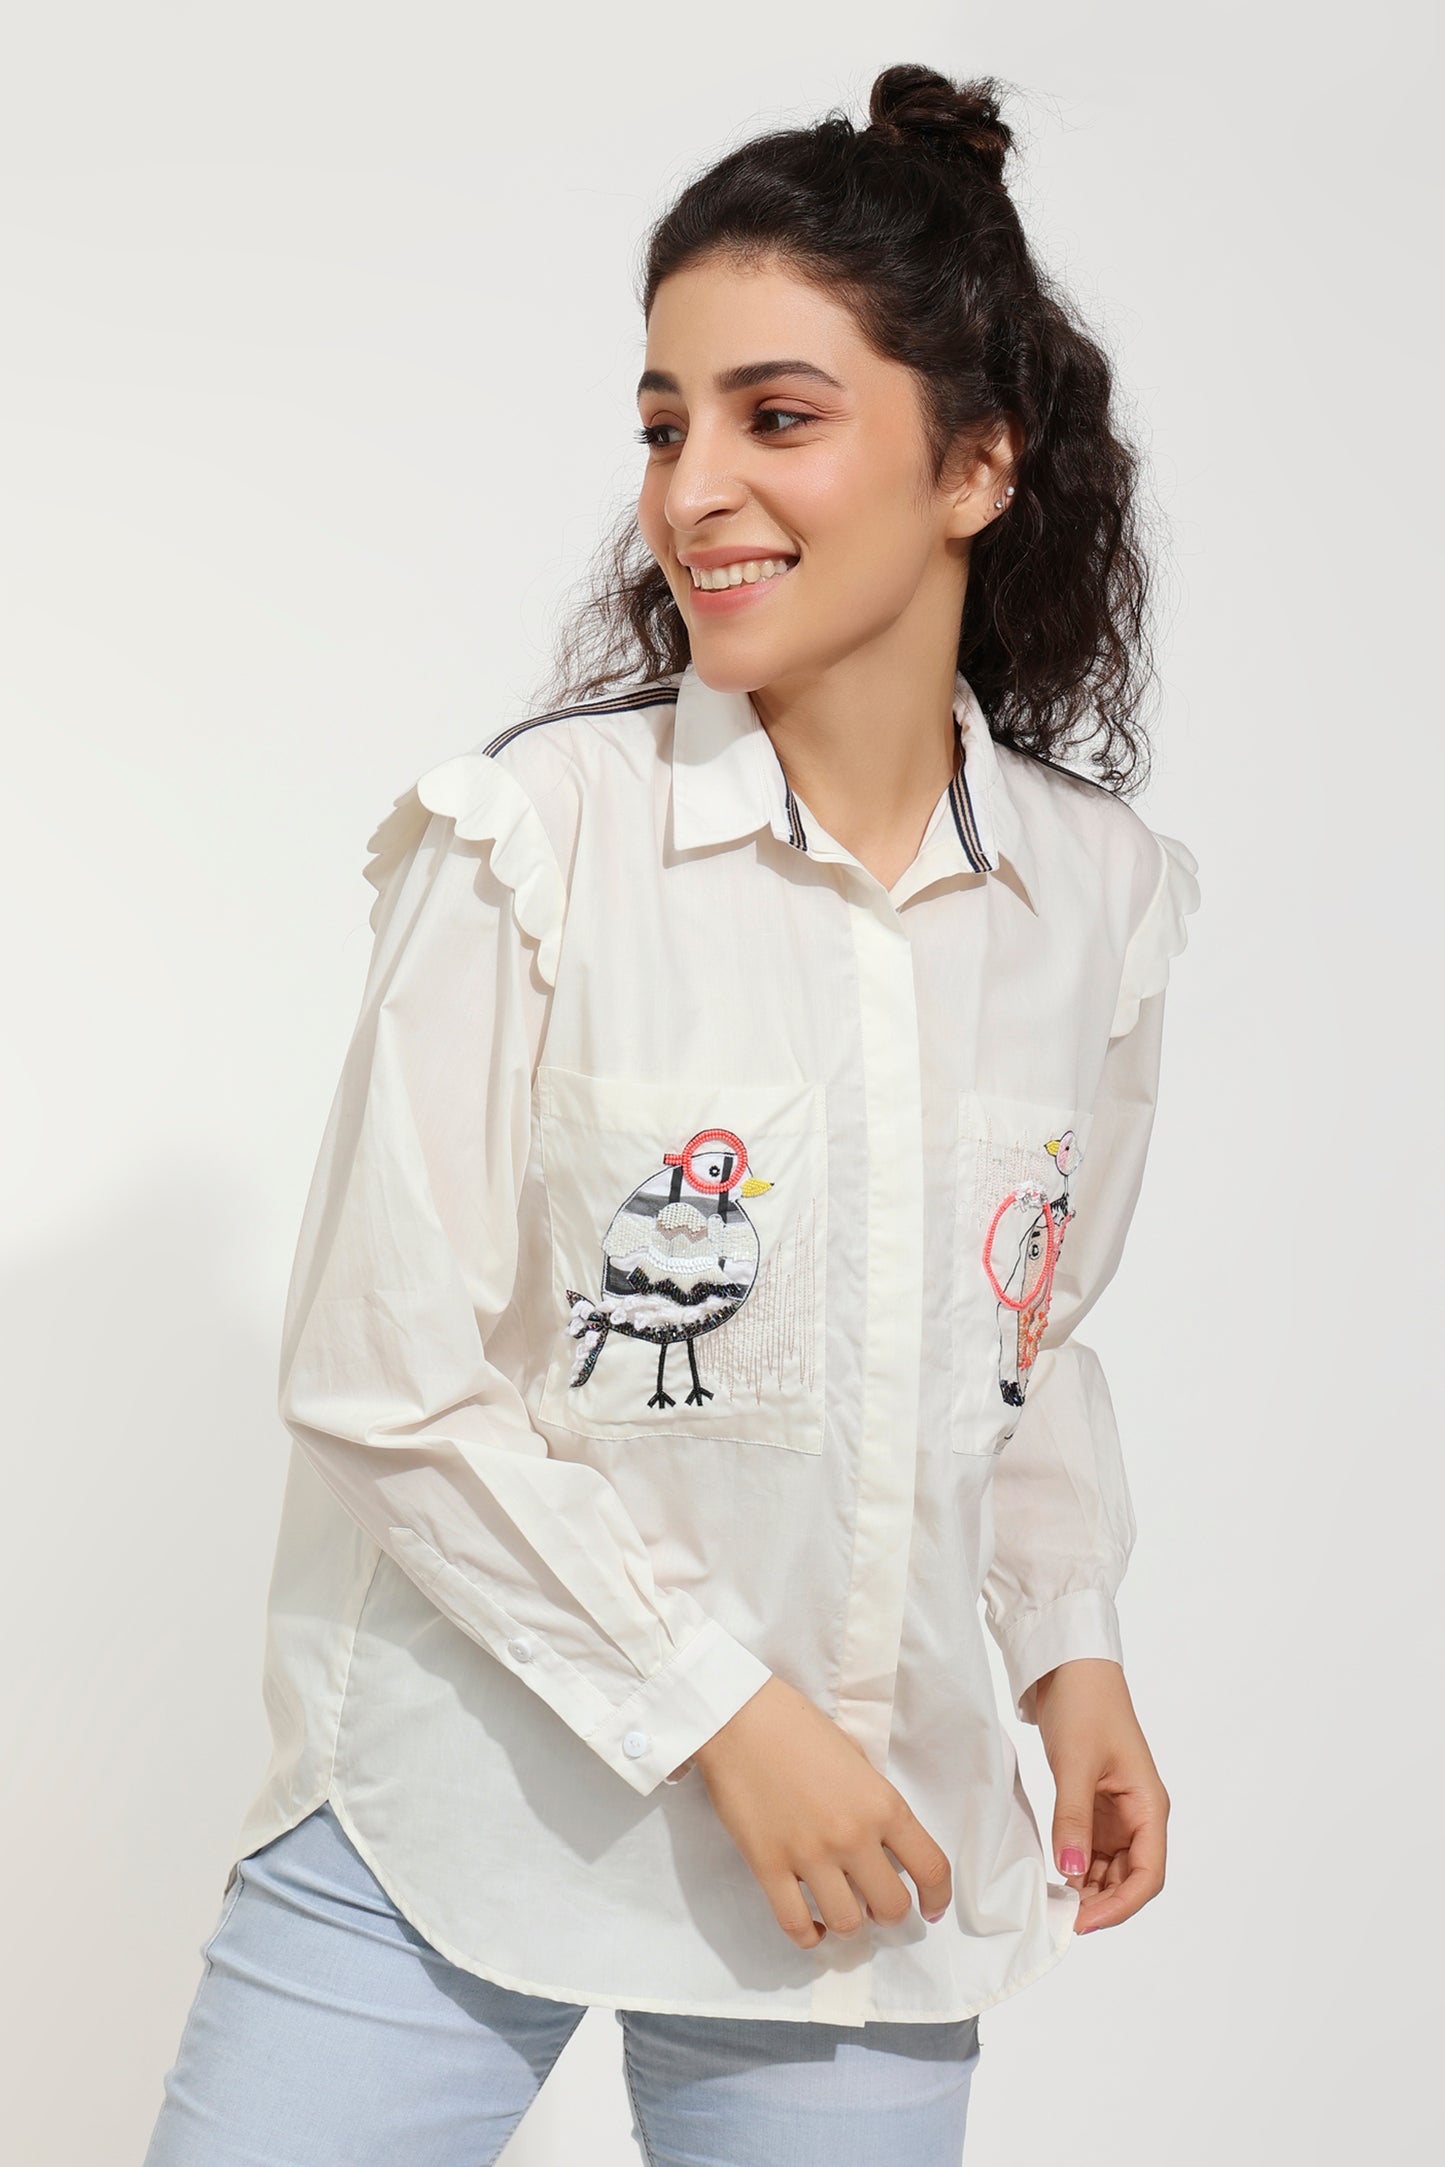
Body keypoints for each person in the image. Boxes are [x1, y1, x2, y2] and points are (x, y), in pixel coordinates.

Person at [143, 62, 1201, 2167]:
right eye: (661, 424)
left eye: (773, 416)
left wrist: (1070, 1653)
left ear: (976, 462)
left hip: (863, 1851)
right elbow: (384, 1377)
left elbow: (1023, 1339)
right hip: (460, 1814)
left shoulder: (1099, 896)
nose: (692, 487)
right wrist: (722, 1709)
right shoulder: (532, 841)